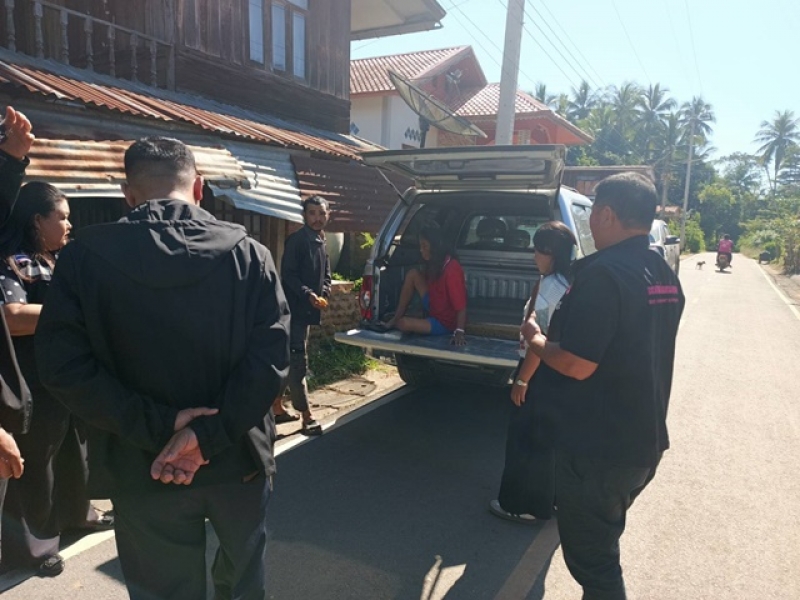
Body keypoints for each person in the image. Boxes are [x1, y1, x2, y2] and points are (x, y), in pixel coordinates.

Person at [35, 137, 290, 600]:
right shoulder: (250, 254)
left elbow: (62, 367)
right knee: (243, 581)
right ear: (199, 188)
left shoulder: (82, 258)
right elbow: (270, 362)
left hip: (141, 462)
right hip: (238, 459)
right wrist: (206, 437)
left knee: (162, 590)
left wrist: (163, 425)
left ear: (128, 194)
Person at [520, 172, 684, 600]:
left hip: (598, 452)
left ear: (608, 214)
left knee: (595, 565)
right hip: (642, 443)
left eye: (594, 209)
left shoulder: (603, 274)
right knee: (602, 547)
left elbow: (576, 363)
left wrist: (535, 339)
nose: (590, 220)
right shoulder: (663, 273)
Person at [489, 222, 576, 524]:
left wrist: (522, 379)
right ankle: (552, 499)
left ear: (550, 252)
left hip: (539, 370)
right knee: (550, 439)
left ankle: (522, 504)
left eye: (538, 250)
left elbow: (541, 338)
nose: (534, 255)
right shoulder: (568, 281)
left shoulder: (550, 286)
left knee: (525, 438)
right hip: (559, 372)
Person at [274, 195, 332, 435]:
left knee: (289, 359)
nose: (317, 218)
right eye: (312, 213)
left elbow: (327, 274)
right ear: (305, 216)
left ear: (328, 215)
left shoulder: (321, 241)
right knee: (298, 361)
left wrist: (325, 292)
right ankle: (307, 417)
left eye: (321, 213)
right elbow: (288, 275)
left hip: (308, 311)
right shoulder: (297, 241)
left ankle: (276, 407)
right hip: (292, 311)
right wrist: (308, 294)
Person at [384, 223, 468, 347]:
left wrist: (459, 331)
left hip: (444, 322)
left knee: (404, 324)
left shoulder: (452, 269)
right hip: (434, 304)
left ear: (435, 246)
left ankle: (406, 322)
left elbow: (461, 307)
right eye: (420, 246)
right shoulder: (436, 261)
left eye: (424, 246)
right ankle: (396, 317)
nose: (421, 250)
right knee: (413, 274)